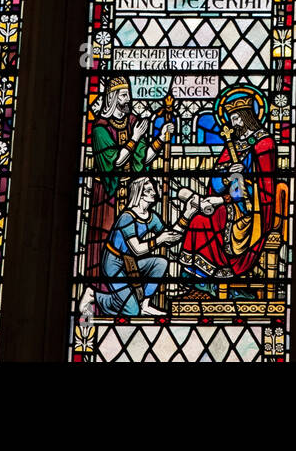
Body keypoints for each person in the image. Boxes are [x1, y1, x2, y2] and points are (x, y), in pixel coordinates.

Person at [178, 85, 284, 298]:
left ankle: (216, 281)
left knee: (203, 220)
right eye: (230, 118)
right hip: (231, 202)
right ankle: (201, 281)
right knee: (200, 219)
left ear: (247, 116)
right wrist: (228, 175)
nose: (232, 124)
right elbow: (216, 182)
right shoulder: (233, 145)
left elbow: (265, 186)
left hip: (254, 210)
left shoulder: (264, 143)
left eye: (235, 118)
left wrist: (244, 177)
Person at [84, 77, 169, 281]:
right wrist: (135, 137)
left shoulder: (132, 123)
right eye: (123, 95)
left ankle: (131, 290)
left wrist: (160, 138)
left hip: (133, 193)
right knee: (106, 238)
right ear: (112, 98)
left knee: (133, 241)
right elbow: (116, 162)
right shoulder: (100, 129)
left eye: (128, 95)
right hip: (109, 196)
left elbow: (143, 158)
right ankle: (100, 288)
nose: (128, 99)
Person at [79, 177, 189, 319]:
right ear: (139, 194)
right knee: (131, 312)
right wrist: (159, 239)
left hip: (131, 262)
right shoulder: (127, 217)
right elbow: (136, 248)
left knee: (161, 263)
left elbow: (169, 239)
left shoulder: (152, 217)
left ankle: (145, 305)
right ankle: (94, 295)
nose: (154, 193)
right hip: (114, 263)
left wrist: (187, 214)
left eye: (153, 189)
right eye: (149, 190)